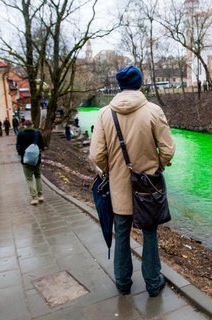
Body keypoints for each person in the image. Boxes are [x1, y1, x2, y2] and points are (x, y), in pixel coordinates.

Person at [89, 65, 175, 297]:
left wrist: (113, 170)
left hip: (118, 190)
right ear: (140, 83)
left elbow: (96, 155)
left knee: (122, 233)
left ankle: (123, 283)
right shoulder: (153, 111)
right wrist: (158, 166)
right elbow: (168, 150)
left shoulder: (105, 113)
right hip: (148, 188)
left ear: (119, 85)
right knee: (149, 233)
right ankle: (153, 283)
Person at [16, 120, 46, 205]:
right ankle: (40, 196)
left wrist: (21, 154)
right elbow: (42, 146)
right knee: (38, 176)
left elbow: (18, 146)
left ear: (24, 125)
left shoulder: (20, 134)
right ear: (32, 125)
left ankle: (34, 197)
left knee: (29, 179)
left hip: (25, 160)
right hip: (36, 160)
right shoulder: (37, 133)